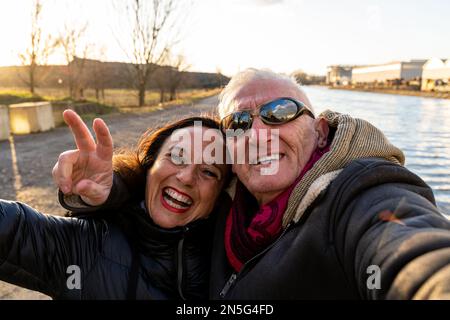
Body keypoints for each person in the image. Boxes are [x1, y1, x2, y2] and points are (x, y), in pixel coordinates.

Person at [55, 69, 450, 300]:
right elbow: (171, 184)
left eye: (280, 112)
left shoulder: (357, 193)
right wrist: (112, 192)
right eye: (239, 123)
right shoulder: (223, 203)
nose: (258, 132)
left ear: (321, 130)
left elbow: (410, 247)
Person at [0, 110, 229, 299]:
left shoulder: (231, 263)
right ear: (150, 166)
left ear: (220, 195)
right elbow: (13, 227)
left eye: (209, 171)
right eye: (177, 156)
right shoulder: (85, 246)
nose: (187, 177)